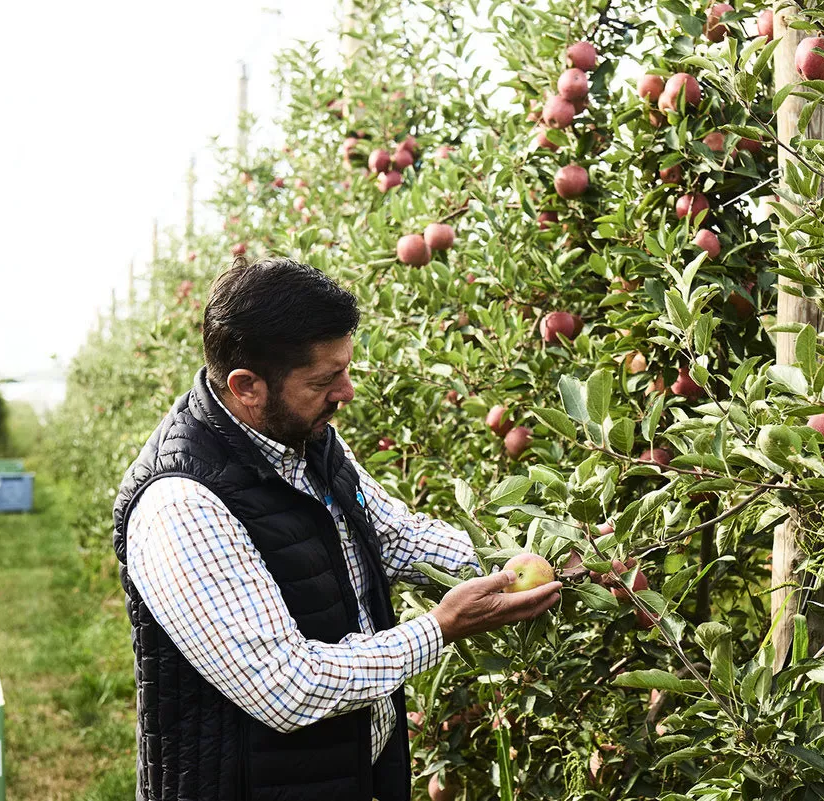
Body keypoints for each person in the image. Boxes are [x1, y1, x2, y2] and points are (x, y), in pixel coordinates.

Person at [112, 256, 562, 801]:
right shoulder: (180, 505)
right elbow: (284, 686)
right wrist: (439, 628)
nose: (346, 392)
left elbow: (395, 538)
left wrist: (539, 561)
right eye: (325, 379)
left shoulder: (306, 440)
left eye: (346, 369)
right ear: (246, 386)